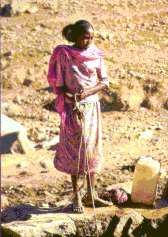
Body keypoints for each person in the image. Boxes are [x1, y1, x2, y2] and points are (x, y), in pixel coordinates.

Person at [47, 20, 112, 213]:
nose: (89, 41)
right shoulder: (63, 54)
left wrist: (87, 92)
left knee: (91, 148)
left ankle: (92, 193)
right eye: (85, 37)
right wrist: (71, 97)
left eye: (92, 37)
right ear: (75, 36)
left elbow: (105, 82)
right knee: (75, 150)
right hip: (72, 108)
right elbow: (57, 85)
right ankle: (76, 196)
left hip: (91, 108)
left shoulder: (96, 55)